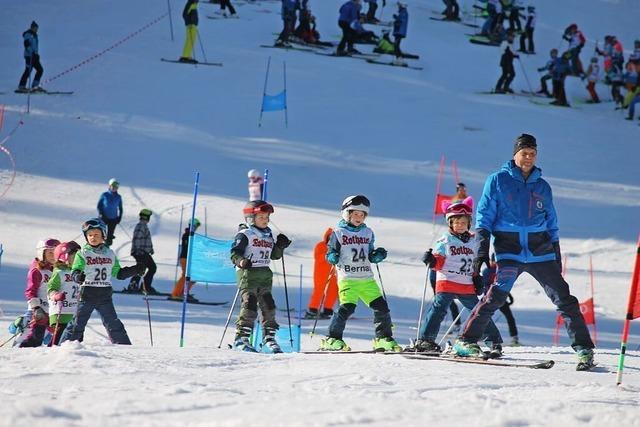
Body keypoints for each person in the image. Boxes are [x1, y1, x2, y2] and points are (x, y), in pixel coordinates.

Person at [452, 134, 596, 370]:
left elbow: (552, 221)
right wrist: (481, 251)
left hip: (541, 251)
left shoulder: (542, 186)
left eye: (532, 153)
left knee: (564, 299)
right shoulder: (497, 180)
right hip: (509, 250)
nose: (528, 158)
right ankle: (465, 341)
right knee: (495, 297)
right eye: (524, 153)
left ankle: (584, 349)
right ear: (515, 155)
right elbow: (484, 217)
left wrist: (556, 252)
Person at [411, 201, 503, 357]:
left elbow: (474, 263)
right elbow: (438, 260)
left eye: (463, 222)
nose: (460, 225)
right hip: (447, 280)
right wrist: (432, 261)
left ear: (469, 223)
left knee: (478, 312)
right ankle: (426, 340)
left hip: (466, 283)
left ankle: (493, 341)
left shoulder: (474, 241)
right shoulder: (445, 240)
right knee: (439, 309)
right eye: (456, 223)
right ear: (450, 223)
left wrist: (476, 278)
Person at [319, 195, 402, 352]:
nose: (359, 217)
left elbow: (370, 254)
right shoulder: (338, 233)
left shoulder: (368, 232)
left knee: (381, 307)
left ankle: (383, 338)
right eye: (355, 213)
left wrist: (377, 255)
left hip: (366, 279)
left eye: (362, 214)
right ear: (347, 214)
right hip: (348, 278)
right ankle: (332, 338)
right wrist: (332, 257)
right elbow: (330, 253)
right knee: (347, 308)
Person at [60, 218, 144, 344]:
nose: (93, 238)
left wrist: (136, 269)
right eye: (89, 235)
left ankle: (124, 346)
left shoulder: (109, 253)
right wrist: (78, 276)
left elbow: (118, 273)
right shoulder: (82, 253)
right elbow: (75, 270)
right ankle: (64, 347)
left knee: (113, 323)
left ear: (103, 235)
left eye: (96, 235)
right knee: (77, 323)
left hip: (104, 294)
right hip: (87, 293)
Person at [230, 200, 291, 353]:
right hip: (248, 274)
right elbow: (234, 253)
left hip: (264, 274)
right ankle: (241, 338)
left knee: (269, 305)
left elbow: (275, 256)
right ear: (251, 218)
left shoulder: (268, 235)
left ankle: (268, 338)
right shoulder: (245, 234)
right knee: (249, 304)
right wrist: (242, 261)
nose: (265, 220)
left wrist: (280, 246)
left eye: (267, 217)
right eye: (261, 217)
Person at [16, 238, 60, 347]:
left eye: (55, 252)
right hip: (39, 311)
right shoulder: (37, 271)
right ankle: (19, 349)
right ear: (42, 254)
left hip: (53, 311)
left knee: (59, 338)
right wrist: (36, 308)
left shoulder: (58, 271)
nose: (53, 255)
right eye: (50, 252)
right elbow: (30, 292)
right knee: (35, 338)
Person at [47, 241, 82, 346]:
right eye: (75, 257)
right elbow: (50, 288)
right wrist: (55, 295)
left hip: (74, 312)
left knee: (76, 340)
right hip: (61, 312)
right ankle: (50, 353)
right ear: (64, 257)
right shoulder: (59, 273)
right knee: (60, 339)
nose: (78, 260)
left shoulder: (78, 273)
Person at [482, 254, 520, 346]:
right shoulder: (487, 271)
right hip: (490, 297)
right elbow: (485, 285)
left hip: (500, 297)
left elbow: (504, 284)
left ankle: (514, 338)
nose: (495, 263)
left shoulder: (501, 269)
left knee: (509, 317)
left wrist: (508, 295)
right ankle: (482, 335)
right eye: (494, 261)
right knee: (484, 316)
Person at [304, 228, 339, 319]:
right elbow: (318, 258)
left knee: (333, 291)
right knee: (319, 291)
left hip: (334, 273)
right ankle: (312, 310)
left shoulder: (339, 248)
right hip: (321, 273)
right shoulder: (320, 246)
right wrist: (328, 253)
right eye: (330, 237)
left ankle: (328, 310)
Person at [128, 209, 159, 294]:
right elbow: (137, 238)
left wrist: (150, 249)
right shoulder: (141, 226)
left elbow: (146, 240)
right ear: (147, 217)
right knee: (141, 268)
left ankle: (145, 286)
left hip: (144, 252)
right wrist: (138, 250)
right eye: (149, 217)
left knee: (152, 267)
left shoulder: (144, 226)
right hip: (140, 252)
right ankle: (133, 285)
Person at [170, 218, 201, 302]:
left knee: (193, 277)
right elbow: (188, 247)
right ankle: (176, 294)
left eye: (196, 226)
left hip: (190, 258)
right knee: (185, 276)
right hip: (185, 258)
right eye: (195, 226)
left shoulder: (192, 235)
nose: (196, 228)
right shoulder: (187, 235)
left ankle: (184, 292)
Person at [17, 21, 44, 93]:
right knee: (28, 70)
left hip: (34, 56)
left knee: (40, 70)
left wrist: (36, 54)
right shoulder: (28, 34)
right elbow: (26, 45)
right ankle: (21, 86)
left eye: (37, 28)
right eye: (35, 28)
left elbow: (34, 46)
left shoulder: (35, 35)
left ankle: (35, 86)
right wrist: (31, 53)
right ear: (32, 28)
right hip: (29, 56)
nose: (36, 30)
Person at [97, 178, 123, 247]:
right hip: (104, 217)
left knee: (110, 236)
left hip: (113, 219)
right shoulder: (104, 195)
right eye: (113, 186)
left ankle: (106, 251)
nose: (114, 188)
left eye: (116, 187)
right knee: (101, 233)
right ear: (109, 186)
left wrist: (119, 217)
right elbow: (99, 206)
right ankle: (97, 248)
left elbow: (120, 208)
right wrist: (101, 214)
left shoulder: (118, 197)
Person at [495, 29, 518, 93]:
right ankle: (498, 88)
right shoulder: (505, 42)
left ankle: (506, 87)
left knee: (512, 74)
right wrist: (507, 52)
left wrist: (514, 55)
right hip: (505, 61)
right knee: (505, 74)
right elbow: (502, 51)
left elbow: (511, 52)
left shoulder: (510, 43)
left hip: (509, 62)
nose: (513, 38)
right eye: (512, 36)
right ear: (508, 36)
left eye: (513, 37)